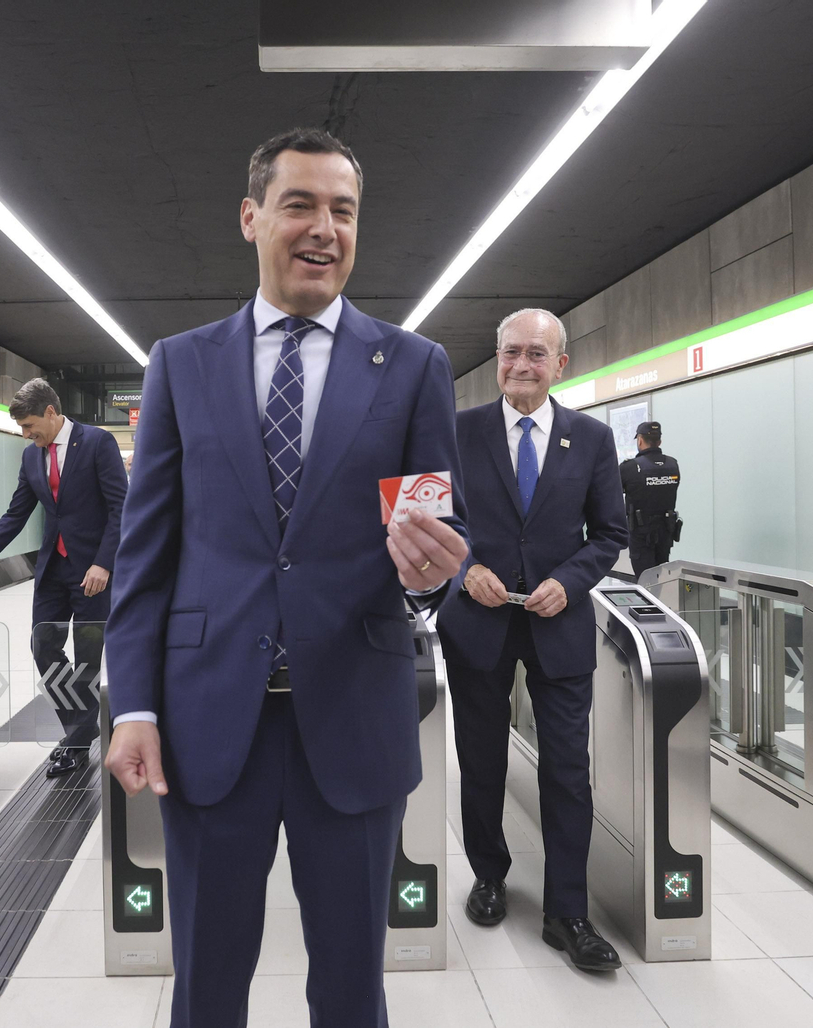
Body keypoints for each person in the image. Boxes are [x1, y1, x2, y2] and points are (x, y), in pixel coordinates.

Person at [103, 127, 469, 1027]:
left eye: (343, 211)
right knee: (207, 982)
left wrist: (431, 578)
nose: (324, 228)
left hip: (351, 715)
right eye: (300, 204)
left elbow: (430, 538)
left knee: (351, 985)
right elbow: (147, 555)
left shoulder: (413, 366)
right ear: (251, 217)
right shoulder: (182, 364)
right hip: (208, 720)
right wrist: (134, 706)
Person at [436, 308, 628, 973]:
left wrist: (571, 583)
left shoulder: (593, 440)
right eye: (511, 352)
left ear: (560, 364)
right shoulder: (457, 433)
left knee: (568, 772)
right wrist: (467, 571)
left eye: (536, 355)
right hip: (477, 627)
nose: (522, 365)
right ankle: (489, 875)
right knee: (481, 761)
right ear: (497, 357)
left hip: (560, 626)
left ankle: (567, 912)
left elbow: (609, 533)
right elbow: (432, 521)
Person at [0, 379, 127, 778]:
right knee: (43, 648)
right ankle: (83, 726)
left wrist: (104, 563)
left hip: (93, 573)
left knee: (87, 657)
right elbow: (15, 514)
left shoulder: (97, 443)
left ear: (50, 412)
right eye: (22, 429)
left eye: (29, 426)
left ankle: (75, 741)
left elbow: (120, 507)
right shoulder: (31, 457)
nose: (26, 435)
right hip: (53, 570)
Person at [619, 420, 681, 578]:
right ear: (659, 441)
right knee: (662, 580)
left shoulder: (629, 468)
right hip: (666, 535)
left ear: (639, 440)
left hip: (641, 537)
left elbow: (612, 495)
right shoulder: (673, 465)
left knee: (644, 582)